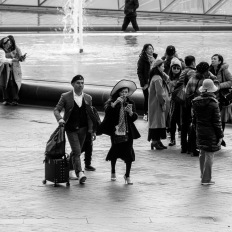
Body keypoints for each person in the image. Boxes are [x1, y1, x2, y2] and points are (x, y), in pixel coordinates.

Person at [54, 74, 96, 184]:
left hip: (83, 128)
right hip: (71, 128)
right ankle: (80, 173)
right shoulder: (65, 96)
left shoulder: (88, 98)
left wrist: (92, 131)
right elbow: (56, 110)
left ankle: (69, 168)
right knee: (77, 151)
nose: (80, 85)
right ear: (72, 84)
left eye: (82, 83)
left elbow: (90, 116)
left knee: (76, 151)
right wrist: (60, 119)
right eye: (78, 83)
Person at [98, 80, 140, 185]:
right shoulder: (112, 102)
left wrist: (130, 112)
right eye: (122, 92)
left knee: (129, 152)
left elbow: (134, 117)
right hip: (115, 131)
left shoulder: (130, 102)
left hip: (127, 131)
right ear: (118, 93)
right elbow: (107, 113)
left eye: (126, 92)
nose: (124, 94)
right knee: (115, 150)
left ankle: (128, 175)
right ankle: (113, 171)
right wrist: (115, 103)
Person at [192, 79, 223, 185]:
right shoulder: (213, 104)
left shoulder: (195, 101)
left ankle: (203, 175)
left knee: (202, 152)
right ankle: (206, 179)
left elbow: (194, 119)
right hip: (211, 132)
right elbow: (217, 122)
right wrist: (220, 135)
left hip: (200, 130)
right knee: (210, 154)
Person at [185, 62, 217, 156]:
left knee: (194, 126)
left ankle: (191, 148)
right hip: (206, 107)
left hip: (194, 106)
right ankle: (201, 147)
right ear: (207, 71)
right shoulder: (208, 80)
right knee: (203, 127)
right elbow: (216, 87)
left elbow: (187, 93)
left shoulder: (192, 78)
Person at [208, 54, 232, 147]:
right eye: (212, 59)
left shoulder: (224, 70)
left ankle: (220, 138)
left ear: (220, 61)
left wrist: (219, 86)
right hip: (212, 97)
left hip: (221, 98)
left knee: (221, 120)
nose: (212, 60)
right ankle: (216, 138)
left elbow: (231, 81)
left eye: (214, 59)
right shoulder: (209, 70)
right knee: (212, 119)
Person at [148, 59, 170, 150]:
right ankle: (155, 141)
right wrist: (163, 103)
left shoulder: (156, 77)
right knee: (157, 123)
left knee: (157, 122)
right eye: (162, 66)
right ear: (158, 67)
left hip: (154, 104)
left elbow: (167, 78)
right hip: (157, 104)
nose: (164, 68)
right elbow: (159, 93)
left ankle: (157, 141)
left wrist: (163, 73)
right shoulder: (157, 79)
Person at [176, 55, 196, 153]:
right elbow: (192, 86)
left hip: (183, 99)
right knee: (189, 122)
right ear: (193, 62)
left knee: (184, 123)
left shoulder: (183, 71)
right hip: (189, 99)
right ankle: (189, 146)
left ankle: (183, 146)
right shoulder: (192, 72)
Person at [0, 35, 26, 106]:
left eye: (10, 43)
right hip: (5, 68)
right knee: (3, 83)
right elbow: (3, 59)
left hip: (14, 68)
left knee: (13, 82)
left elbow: (21, 59)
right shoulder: (2, 49)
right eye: (8, 44)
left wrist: (22, 58)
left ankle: (15, 99)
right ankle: (5, 99)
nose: (9, 45)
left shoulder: (16, 48)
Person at [137, 44, 158, 121]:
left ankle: (153, 113)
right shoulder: (142, 59)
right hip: (146, 82)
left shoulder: (154, 58)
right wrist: (143, 84)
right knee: (147, 98)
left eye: (152, 48)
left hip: (154, 81)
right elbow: (139, 72)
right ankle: (145, 114)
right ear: (145, 50)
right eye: (149, 48)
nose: (151, 50)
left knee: (154, 97)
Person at [168, 58, 182, 146]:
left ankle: (181, 138)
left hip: (180, 102)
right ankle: (173, 139)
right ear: (171, 68)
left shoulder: (182, 78)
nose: (176, 70)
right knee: (172, 121)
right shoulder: (168, 78)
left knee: (179, 120)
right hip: (172, 102)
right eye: (174, 68)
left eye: (178, 68)